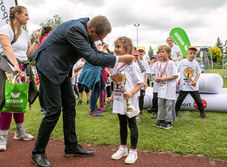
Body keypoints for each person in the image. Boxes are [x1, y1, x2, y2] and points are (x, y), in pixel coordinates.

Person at [32, 16, 134, 167]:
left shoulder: (86, 31)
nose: (98, 42)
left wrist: (115, 58)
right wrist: (121, 59)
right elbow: (93, 57)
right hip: (49, 66)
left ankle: (71, 146)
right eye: (100, 38)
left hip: (62, 68)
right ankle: (37, 152)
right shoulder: (75, 30)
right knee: (54, 110)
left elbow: (97, 54)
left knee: (69, 106)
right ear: (92, 30)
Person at [0, 5, 40, 151]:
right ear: (17, 15)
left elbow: (28, 53)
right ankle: (2, 137)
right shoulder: (5, 29)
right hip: (7, 68)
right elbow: (7, 47)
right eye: (26, 14)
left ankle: (19, 132)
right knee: (7, 102)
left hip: (22, 68)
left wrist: (36, 40)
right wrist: (15, 64)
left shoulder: (25, 33)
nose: (28, 17)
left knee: (19, 100)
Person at [107, 36, 143, 164]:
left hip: (130, 102)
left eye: (118, 47)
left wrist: (131, 93)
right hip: (118, 100)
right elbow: (116, 82)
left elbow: (140, 83)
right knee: (122, 124)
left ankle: (133, 151)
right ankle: (123, 148)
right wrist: (112, 96)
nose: (116, 49)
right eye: (115, 46)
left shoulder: (132, 65)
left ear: (127, 49)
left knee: (132, 124)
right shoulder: (115, 64)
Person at [175, 46, 207, 119]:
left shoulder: (196, 63)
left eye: (194, 54)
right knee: (179, 100)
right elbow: (176, 71)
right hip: (184, 86)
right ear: (187, 54)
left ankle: (202, 112)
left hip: (193, 86)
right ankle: (176, 111)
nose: (192, 55)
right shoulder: (182, 62)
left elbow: (198, 73)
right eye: (191, 53)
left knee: (198, 100)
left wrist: (195, 81)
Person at [152, 45, 178, 129]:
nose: (160, 54)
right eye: (159, 52)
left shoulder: (171, 63)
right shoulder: (156, 64)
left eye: (163, 52)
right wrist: (155, 78)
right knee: (160, 104)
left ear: (169, 54)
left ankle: (168, 121)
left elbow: (175, 76)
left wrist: (164, 78)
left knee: (168, 105)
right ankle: (161, 119)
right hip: (160, 88)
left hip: (169, 88)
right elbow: (152, 73)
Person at [36, 26, 53, 113]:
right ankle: (46, 107)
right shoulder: (47, 39)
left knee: (42, 87)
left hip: (40, 64)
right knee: (46, 87)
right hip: (45, 65)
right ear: (49, 31)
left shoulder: (42, 38)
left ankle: (43, 107)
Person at [136, 46, 151, 117]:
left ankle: (140, 110)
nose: (140, 53)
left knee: (141, 96)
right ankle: (134, 109)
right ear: (137, 52)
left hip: (142, 82)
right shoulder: (134, 61)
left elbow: (146, 73)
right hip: (135, 82)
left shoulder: (145, 62)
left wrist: (145, 82)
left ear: (144, 53)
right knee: (135, 96)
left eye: (142, 51)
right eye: (139, 51)